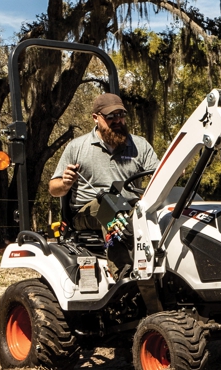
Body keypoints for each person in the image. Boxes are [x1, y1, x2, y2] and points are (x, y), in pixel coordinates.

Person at [49, 93, 159, 280]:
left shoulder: (139, 145)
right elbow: (54, 188)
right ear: (95, 118)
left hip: (130, 207)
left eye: (121, 115)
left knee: (161, 209)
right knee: (108, 205)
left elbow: (159, 174)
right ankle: (123, 274)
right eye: (110, 117)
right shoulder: (77, 147)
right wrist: (65, 182)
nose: (117, 120)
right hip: (87, 211)